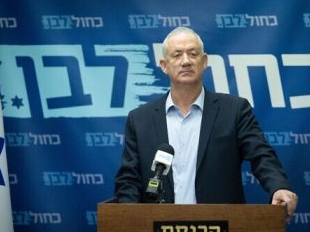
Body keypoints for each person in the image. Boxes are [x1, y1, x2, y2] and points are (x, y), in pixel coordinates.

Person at [115, 27, 298, 220]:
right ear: (164, 65)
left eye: (193, 54)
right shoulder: (140, 119)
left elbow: (262, 156)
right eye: (177, 55)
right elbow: (129, 179)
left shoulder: (234, 110)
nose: (186, 61)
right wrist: (132, 221)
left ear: (204, 62)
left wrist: (279, 187)